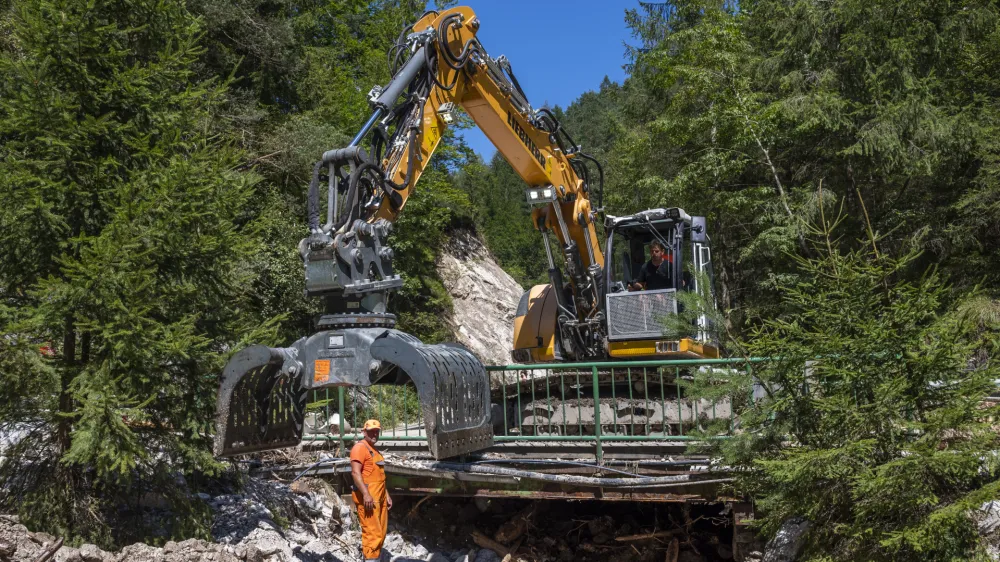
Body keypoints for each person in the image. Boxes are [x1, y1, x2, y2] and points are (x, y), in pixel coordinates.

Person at [351, 419, 393, 562]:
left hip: (379, 498)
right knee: (372, 534)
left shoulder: (374, 450)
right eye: (371, 432)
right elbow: (356, 473)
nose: (374, 434)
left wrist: (386, 495)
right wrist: (366, 494)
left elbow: (379, 476)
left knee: (381, 532)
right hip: (369, 499)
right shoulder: (359, 448)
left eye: (377, 431)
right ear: (364, 432)